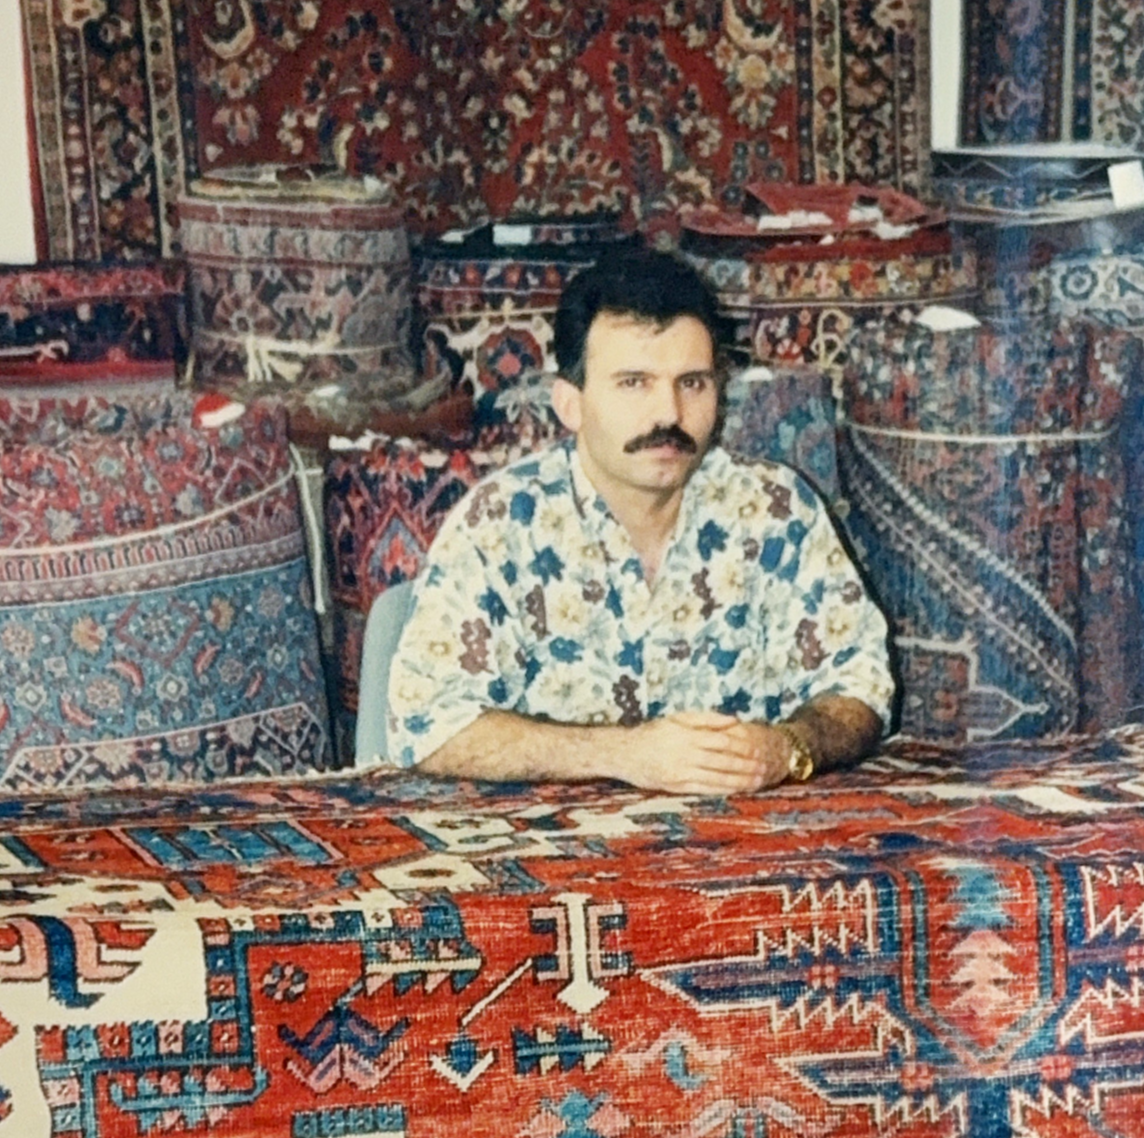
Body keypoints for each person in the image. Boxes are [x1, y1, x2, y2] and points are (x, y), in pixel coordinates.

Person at [381, 248, 893, 793]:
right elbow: (428, 725)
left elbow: (860, 687)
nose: (669, 414)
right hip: (552, 861)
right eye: (634, 383)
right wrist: (625, 754)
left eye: (692, 382)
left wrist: (788, 748)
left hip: (746, 853)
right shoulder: (502, 524)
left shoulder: (775, 510)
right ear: (570, 404)